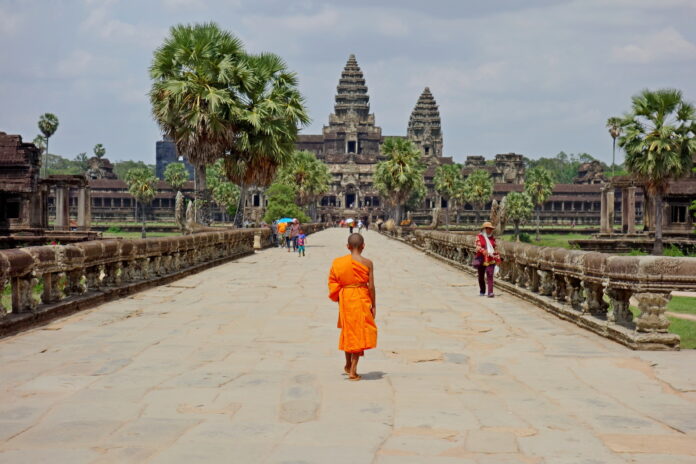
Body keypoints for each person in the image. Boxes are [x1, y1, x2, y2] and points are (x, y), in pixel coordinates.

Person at [328, 233, 377, 381]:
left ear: (348, 247)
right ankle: (353, 371)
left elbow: (333, 282)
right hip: (361, 298)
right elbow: (372, 287)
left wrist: (339, 296)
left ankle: (348, 364)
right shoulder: (368, 263)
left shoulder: (338, 262)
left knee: (349, 331)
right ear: (363, 246)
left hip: (346, 298)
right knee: (359, 332)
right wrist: (373, 305)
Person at [474, 221, 501, 298]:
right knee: (481, 276)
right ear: (484, 229)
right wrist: (483, 251)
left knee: (490, 274)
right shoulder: (479, 237)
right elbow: (477, 247)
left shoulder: (492, 238)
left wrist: (497, 255)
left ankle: (490, 292)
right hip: (481, 258)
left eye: (491, 229)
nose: (490, 230)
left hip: (490, 258)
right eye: (488, 229)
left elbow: (495, 247)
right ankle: (482, 290)